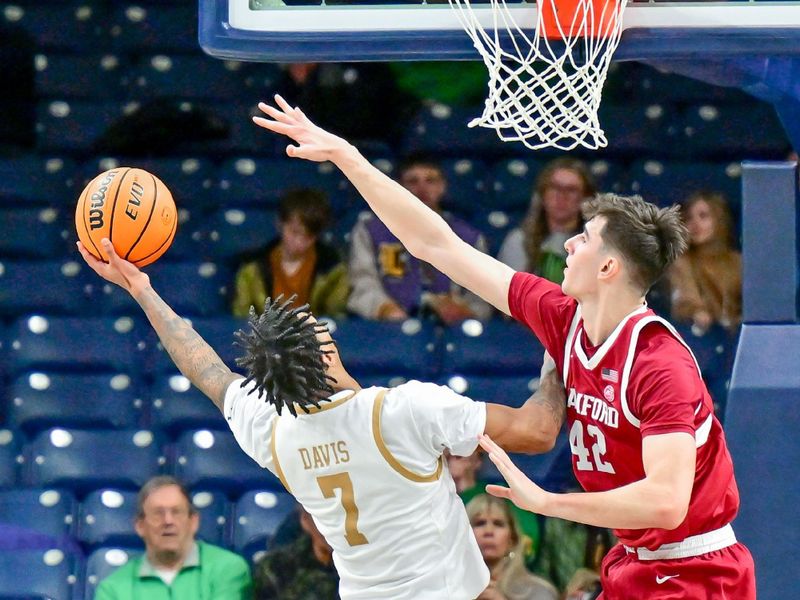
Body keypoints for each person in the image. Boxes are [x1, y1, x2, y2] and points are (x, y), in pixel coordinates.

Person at [251, 94, 756, 599]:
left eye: (584, 239)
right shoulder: (565, 316)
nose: (569, 246)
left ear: (608, 269)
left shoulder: (660, 363)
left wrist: (545, 501)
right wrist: (348, 157)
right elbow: (438, 246)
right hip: (631, 560)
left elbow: (667, 502)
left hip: (696, 570)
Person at [77, 236, 566, 600]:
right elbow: (539, 430)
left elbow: (207, 370)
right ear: (326, 352)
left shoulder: (274, 431)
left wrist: (141, 290)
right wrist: (559, 348)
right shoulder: (403, 412)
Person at [347, 154, 492, 324]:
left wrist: (465, 312)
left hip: (451, 330)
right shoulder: (371, 231)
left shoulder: (467, 237)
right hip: (387, 328)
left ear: (442, 187)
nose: (422, 188)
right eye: (412, 181)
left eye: (430, 181)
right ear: (398, 186)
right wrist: (383, 308)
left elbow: (483, 294)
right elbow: (362, 282)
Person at [94, 476, 252, 600]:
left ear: (194, 522)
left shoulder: (229, 568)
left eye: (176, 512)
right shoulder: (112, 589)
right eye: (158, 513)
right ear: (140, 526)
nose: (168, 521)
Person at [231, 187, 348, 319]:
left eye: (308, 236)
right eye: (294, 232)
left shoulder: (333, 269)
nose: (299, 242)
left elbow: (336, 318)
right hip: (264, 337)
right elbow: (241, 318)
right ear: (280, 223)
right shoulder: (251, 268)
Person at [498, 158, 595, 284]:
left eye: (571, 190)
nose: (562, 196)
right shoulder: (518, 241)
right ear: (542, 195)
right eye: (555, 188)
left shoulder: (596, 245)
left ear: (585, 198)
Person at [447, 449, 541, 567]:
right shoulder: (434, 502)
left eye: (458, 455)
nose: (449, 459)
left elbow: (527, 543)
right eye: (445, 455)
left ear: (478, 461)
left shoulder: (498, 493)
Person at [668, 190, 742, 333]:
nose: (695, 224)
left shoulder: (738, 262)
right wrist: (697, 312)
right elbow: (685, 302)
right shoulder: (682, 262)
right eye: (689, 218)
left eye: (703, 216)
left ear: (719, 220)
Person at [467, 494, 559, 600]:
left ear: (512, 540)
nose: (488, 531)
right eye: (480, 523)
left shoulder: (538, 592)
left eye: (498, 524)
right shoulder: (448, 589)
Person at [253, 505, 339, 600]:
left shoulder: (355, 570)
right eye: (327, 519)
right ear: (305, 519)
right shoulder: (275, 567)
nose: (335, 529)